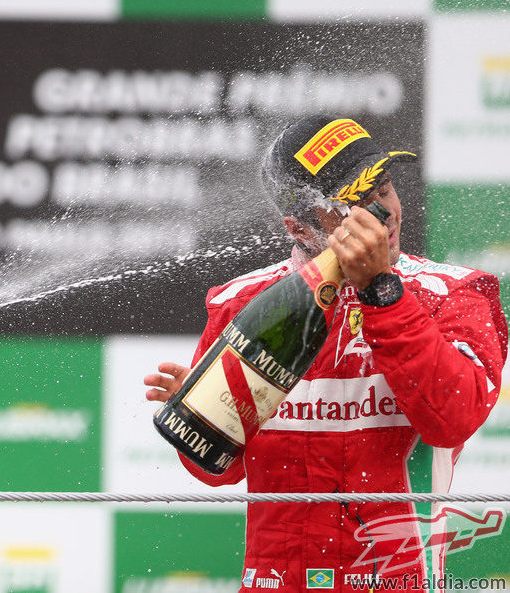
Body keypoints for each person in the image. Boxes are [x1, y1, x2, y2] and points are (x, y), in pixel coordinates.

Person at [145, 115, 507, 592]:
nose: (387, 212)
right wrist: (203, 419)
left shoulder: (453, 294)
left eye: (386, 188)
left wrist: (382, 293)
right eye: (358, 201)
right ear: (300, 226)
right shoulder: (239, 302)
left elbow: (454, 416)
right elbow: (221, 471)